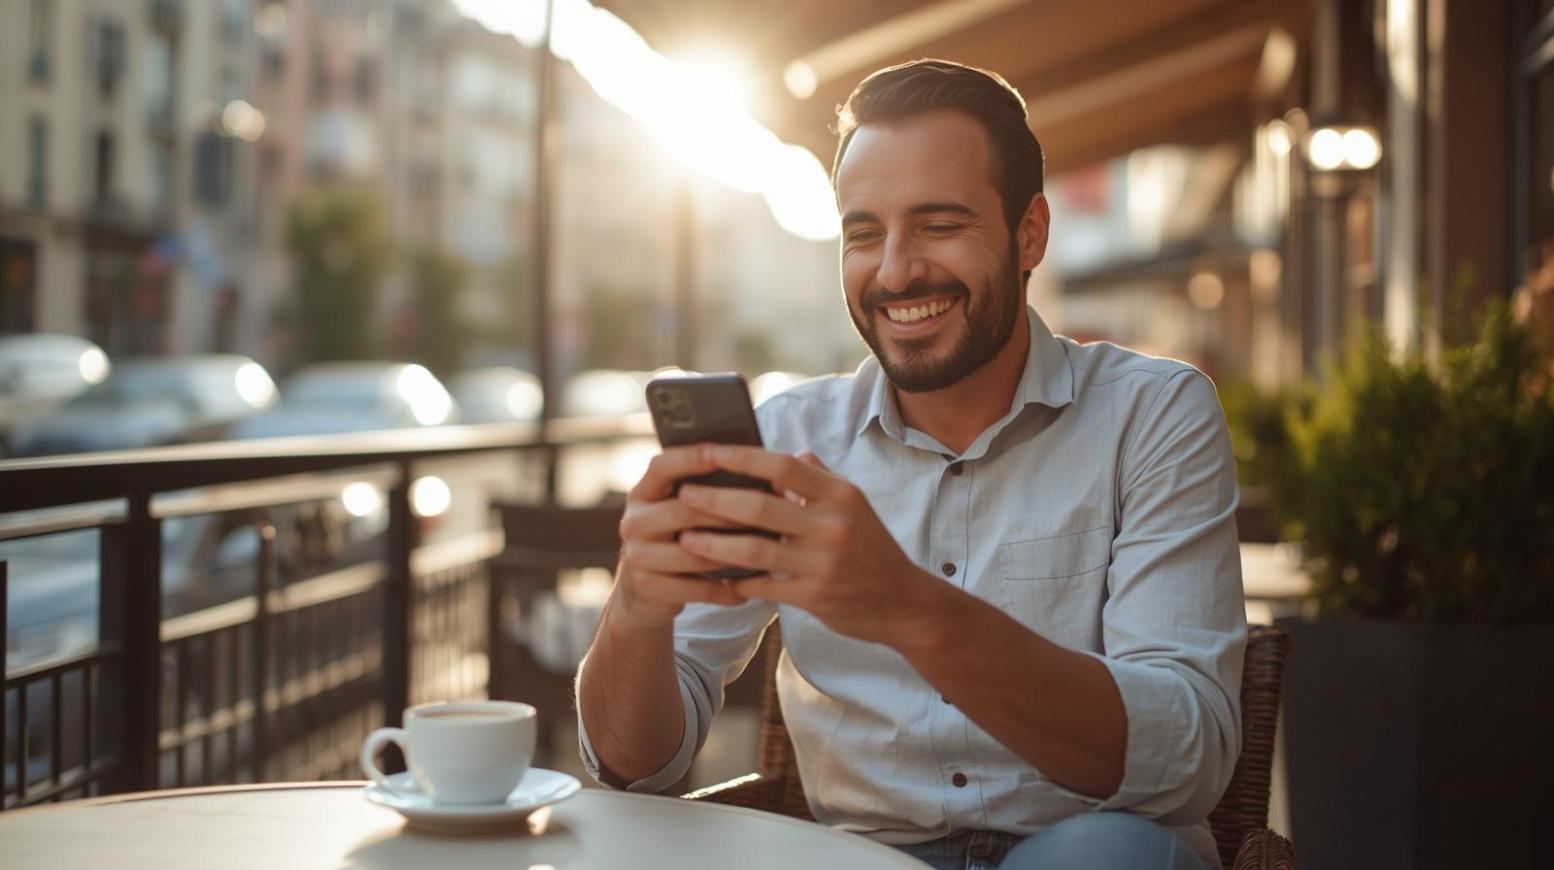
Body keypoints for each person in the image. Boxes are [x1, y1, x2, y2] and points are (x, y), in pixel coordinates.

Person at [575, 59, 1245, 870]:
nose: (894, 272)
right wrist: (637, 611)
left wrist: (909, 609)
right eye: (864, 233)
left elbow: (1190, 760)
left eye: (939, 224)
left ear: (1029, 232)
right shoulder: (786, 438)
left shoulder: (1155, 415)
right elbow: (635, 768)